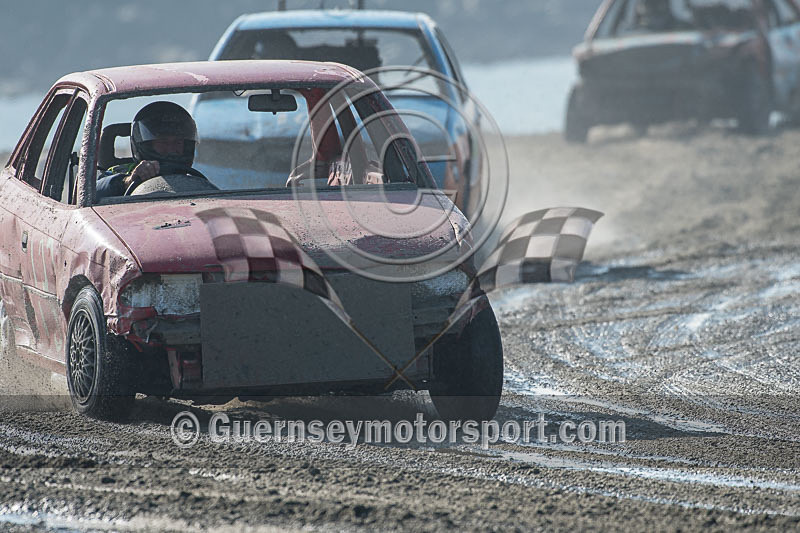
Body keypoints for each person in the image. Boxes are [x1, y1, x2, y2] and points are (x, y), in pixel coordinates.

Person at [96, 101, 201, 200]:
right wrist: (127, 181)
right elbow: (95, 190)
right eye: (163, 142)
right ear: (146, 145)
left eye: (178, 142)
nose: (171, 149)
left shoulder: (196, 180)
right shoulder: (121, 172)